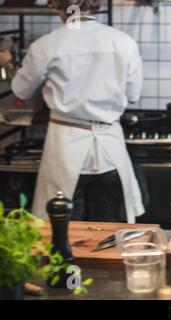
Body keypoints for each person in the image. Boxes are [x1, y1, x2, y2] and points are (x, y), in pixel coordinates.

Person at [0, 0, 145, 222]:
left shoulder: (48, 44)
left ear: (59, 8)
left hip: (65, 150)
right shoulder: (123, 42)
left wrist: (9, 64)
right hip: (109, 152)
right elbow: (134, 95)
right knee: (106, 234)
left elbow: (21, 90)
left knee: (62, 231)